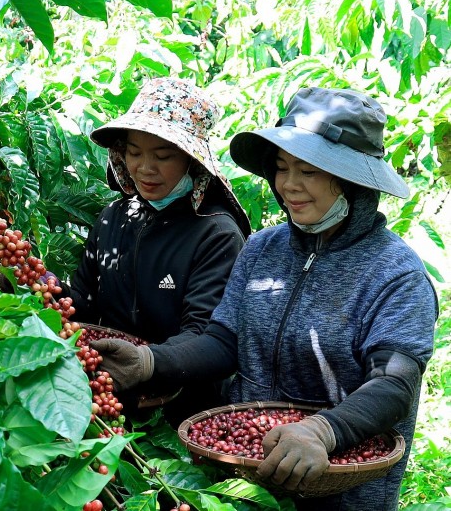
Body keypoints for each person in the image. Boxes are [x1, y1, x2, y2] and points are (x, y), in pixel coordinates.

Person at [97, 86, 437, 510]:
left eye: (309, 172)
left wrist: (324, 431)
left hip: (342, 487)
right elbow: (224, 341)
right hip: (250, 475)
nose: (290, 185)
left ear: (353, 181)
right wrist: (151, 362)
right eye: (282, 168)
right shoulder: (263, 249)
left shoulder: (394, 273)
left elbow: (393, 382)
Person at [64, 77, 251, 426]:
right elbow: (81, 304)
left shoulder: (215, 234)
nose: (145, 169)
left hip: (185, 414)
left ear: (191, 161)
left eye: (162, 156)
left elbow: (207, 336)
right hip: (108, 398)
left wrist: (147, 361)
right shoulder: (114, 218)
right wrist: (39, 287)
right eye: (134, 153)